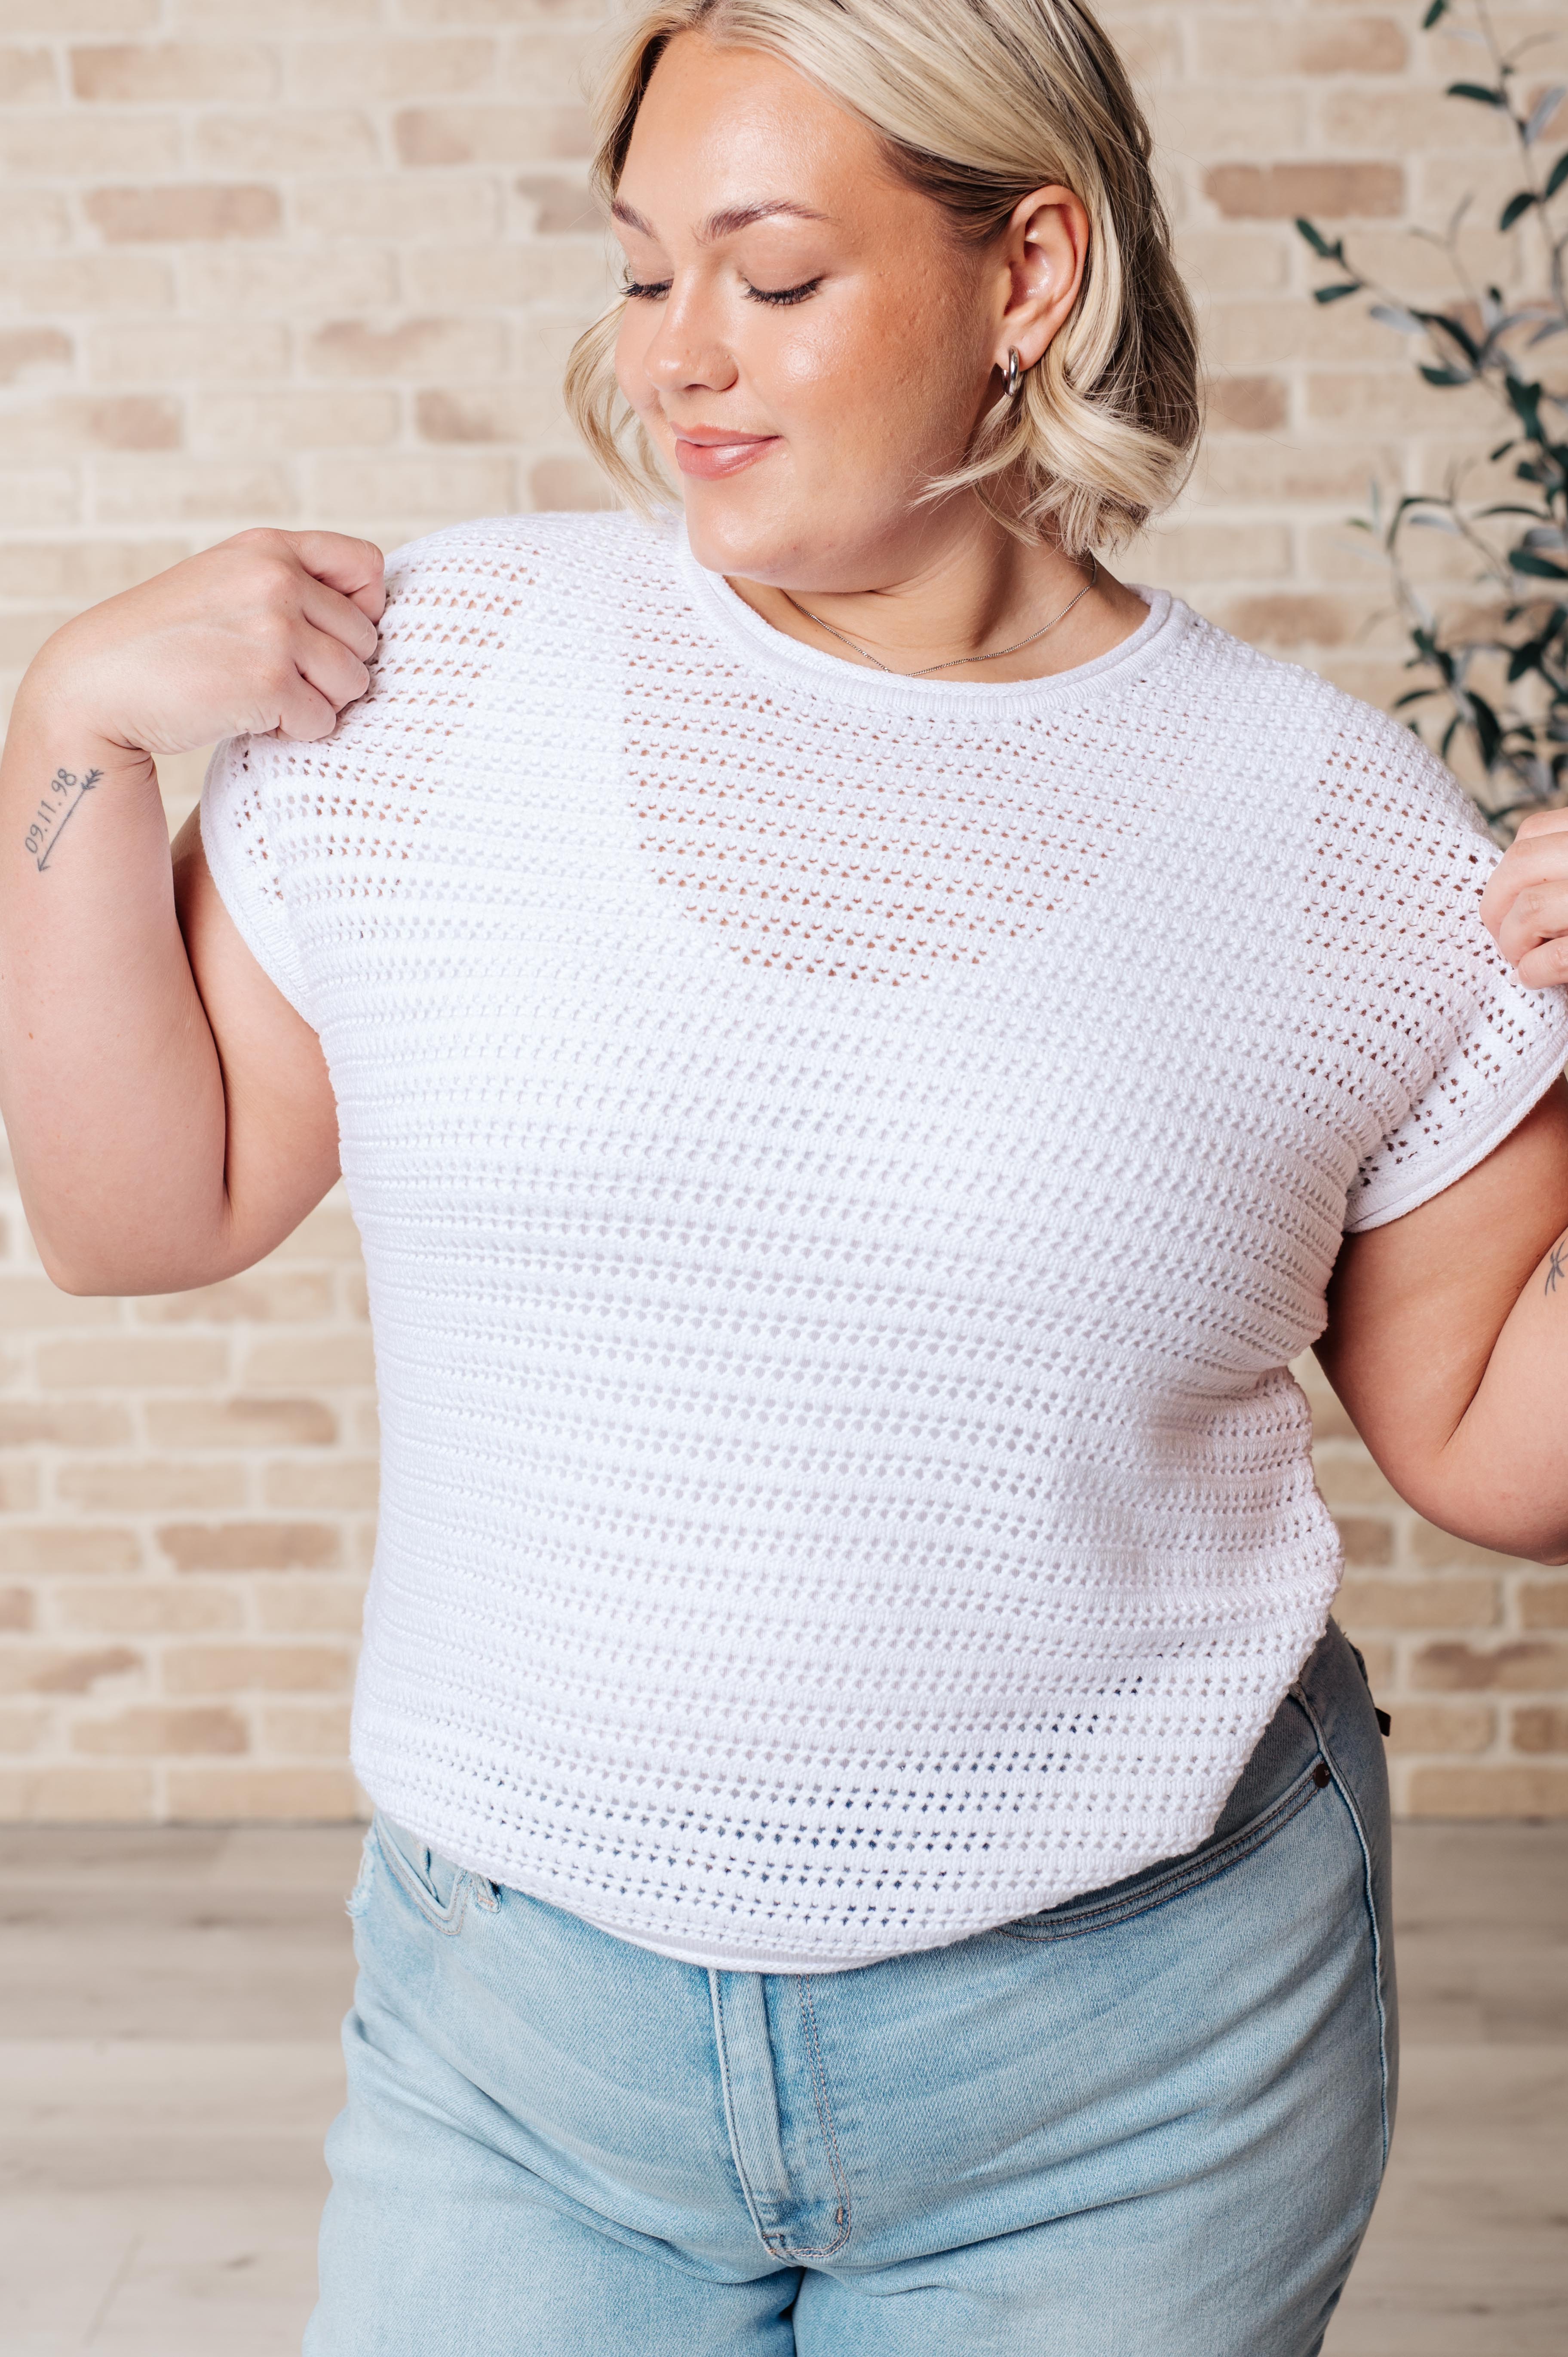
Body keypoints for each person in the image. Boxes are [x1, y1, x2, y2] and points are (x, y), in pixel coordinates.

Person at [3, 1, 1567, 2349]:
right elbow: (140, 1216)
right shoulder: (431, 686)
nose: (678, 360)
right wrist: (75, 735)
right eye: (645, 272)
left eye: (773, 273)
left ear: (1027, 275)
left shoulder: (1331, 833)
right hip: (516, 2054)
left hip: (1125, 2077)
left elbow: (1501, 1454)